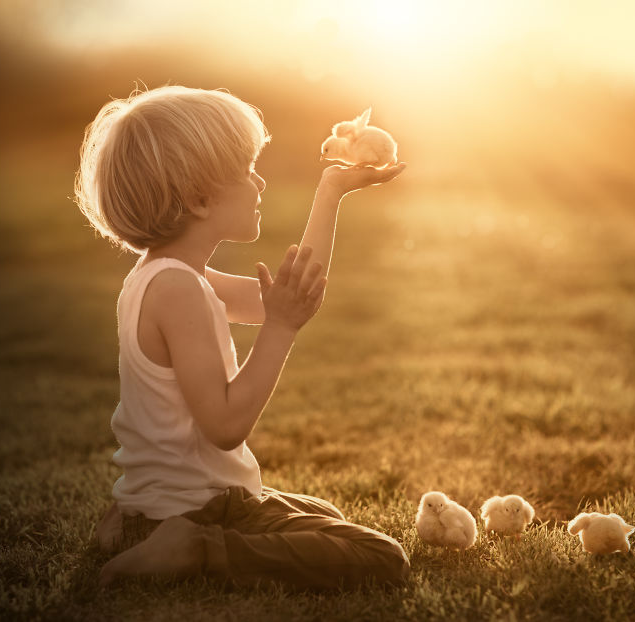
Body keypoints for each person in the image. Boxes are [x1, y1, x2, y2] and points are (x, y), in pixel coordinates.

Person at [73, 85, 408, 589]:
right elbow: (226, 424)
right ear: (200, 199)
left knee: (322, 511)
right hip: (194, 509)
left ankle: (135, 527)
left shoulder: (165, 274)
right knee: (379, 555)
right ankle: (192, 548)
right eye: (247, 171)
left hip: (174, 498)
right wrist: (280, 327)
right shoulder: (178, 289)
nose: (260, 182)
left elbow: (298, 289)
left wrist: (330, 191)